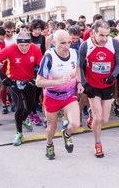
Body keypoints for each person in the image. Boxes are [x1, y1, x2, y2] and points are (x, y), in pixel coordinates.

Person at [0, 30, 43, 146]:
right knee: (19, 108)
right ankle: (19, 133)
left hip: (29, 81)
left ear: (30, 43)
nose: (24, 48)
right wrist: (4, 78)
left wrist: (37, 77)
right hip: (14, 82)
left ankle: (23, 120)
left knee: (30, 107)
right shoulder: (10, 49)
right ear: (17, 43)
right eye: (21, 45)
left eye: (26, 45)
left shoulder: (35, 49)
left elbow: (42, 66)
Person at [36, 30, 82, 160]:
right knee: (51, 128)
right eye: (62, 43)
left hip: (69, 95)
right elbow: (38, 82)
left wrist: (79, 82)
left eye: (69, 42)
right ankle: (49, 144)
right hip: (52, 96)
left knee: (75, 125)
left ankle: (66, 134)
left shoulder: (74, 53)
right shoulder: (49, 57)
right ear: (54, 42)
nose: (66, 46)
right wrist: (57, 81)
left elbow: (77, 68)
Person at [79, 20, 119, 158]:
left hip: (107, 85)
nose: (104, 39)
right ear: (93, 33)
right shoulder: (85, 46)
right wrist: (85, 84)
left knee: (105, 119)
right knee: (98, 118)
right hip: (92, 86)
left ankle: (92, 115)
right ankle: (98, 144)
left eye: (106, 35)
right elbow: (80, 67)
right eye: (101, 35)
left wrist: (113, 76)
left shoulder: (114, 43)